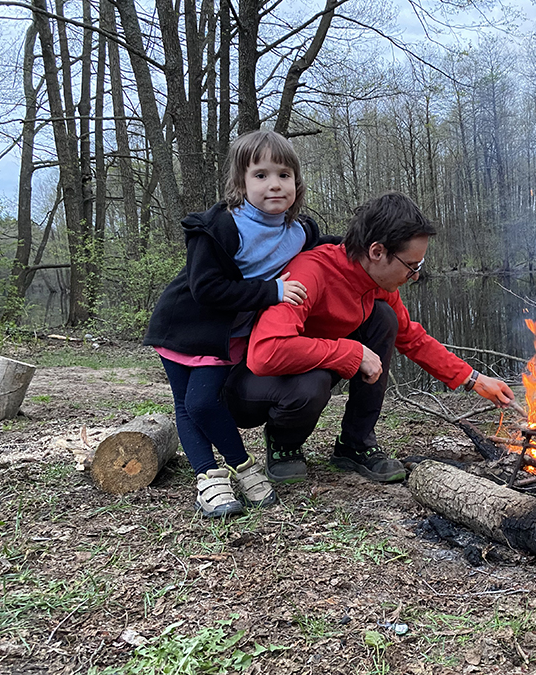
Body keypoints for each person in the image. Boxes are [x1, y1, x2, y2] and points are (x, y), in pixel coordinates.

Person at [223, 191, 516, 484]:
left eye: (419, 267)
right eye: (411, 266)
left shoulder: (378, 284)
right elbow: (266, 353)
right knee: (313, 383)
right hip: (248, 388)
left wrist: (474, 379)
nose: (414, 276)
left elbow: (412, 338)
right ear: (377, 251)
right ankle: (283, 445)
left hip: (311, 365)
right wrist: (351, 352)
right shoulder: (310, 272)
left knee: (383, 319)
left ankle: (355, 443)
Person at [144, 129, 320, 517]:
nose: (274, 184)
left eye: (284, 175)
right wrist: (270, 293)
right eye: (260, 175)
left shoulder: (301, 232)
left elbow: (329, 256)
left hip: (229, 336)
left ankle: (230, 470)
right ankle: (221, 473)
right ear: (240, 181)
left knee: (200, 404)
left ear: (297, 181)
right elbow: (206, 288)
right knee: (194, 405)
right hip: (186, 325)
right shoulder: (222, 227)